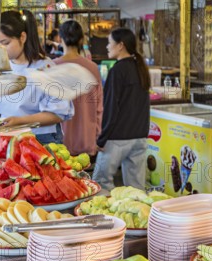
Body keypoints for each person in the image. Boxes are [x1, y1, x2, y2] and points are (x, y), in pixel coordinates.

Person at [0, 10, 74, 145]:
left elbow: (57, 114)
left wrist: (20, 121)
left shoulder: (46, 67)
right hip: (7, 136)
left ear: (22, 37)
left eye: (5, 43)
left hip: (42, 138)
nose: (1, 48)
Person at [92, 28, 151, 191]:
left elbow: (111, 108)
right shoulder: (140, 68)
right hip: (139, 137)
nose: (107, 47)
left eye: (109, 43)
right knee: (136, 189)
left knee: (100, 183)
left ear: (120, 45)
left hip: (117, 139)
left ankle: (105, 217)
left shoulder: (117, 71)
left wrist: (101, 139)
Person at [53, 20, 102, 156]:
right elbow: (99, 106)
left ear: (60, 39)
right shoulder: (92, 67)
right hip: (87, 138)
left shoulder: (53, 66)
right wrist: (97, 134)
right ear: (81, 40)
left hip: (60, 140)